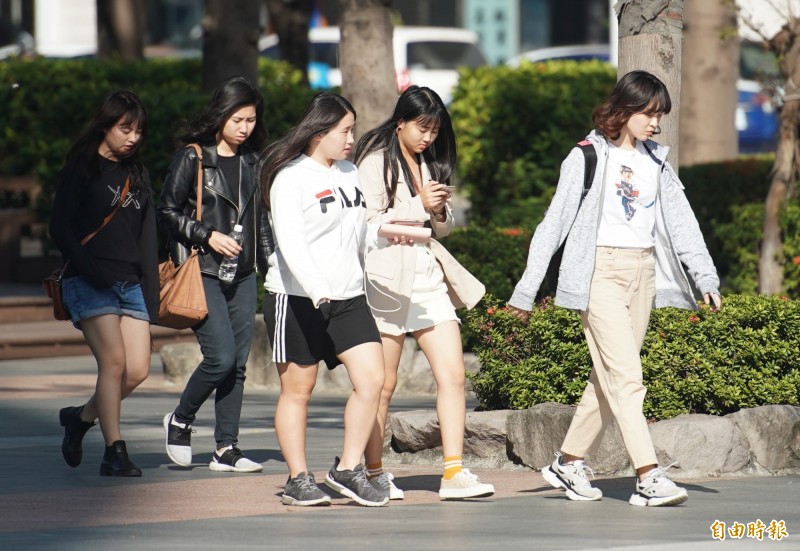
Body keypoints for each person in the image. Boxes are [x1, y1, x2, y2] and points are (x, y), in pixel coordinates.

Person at [507, 71, 723, 507]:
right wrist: (524, 292)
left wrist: (706, 277)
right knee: (627, 378)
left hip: (641, 273)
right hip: (599, 273)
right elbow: (553, 225)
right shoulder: (585, 156)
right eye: (648, 113)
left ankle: (567, 463)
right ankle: (648, 475)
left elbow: (683, 223)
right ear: (624, 110)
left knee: (607, 381)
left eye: (659, 115)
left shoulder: (656, 162)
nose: (655, 123)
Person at [354, 85, 495, 500]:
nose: (428, 137)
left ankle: (453, 473)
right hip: (386, 279)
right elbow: (369, 222)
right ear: (400, 120)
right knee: (382, 384)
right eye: (421, 128)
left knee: (453, 374)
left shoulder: (427, 162)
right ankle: (374, 472)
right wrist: (419, 205)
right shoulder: (375, 160)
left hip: (425, 275)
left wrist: (436, 210)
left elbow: (441, 227)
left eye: (434, 130)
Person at [261, 92, 389, 507]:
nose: (351, 138)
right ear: (319, 132)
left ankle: (348, 468)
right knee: (299, 389)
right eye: (344, 131)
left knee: (372, 380)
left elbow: (358, 232)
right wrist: (317, 289)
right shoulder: (291, 178)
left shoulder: (350, 172)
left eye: (352, 129)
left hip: (349, 294)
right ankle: (299, 478)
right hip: (297, 297)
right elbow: (291, 245)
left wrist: (387, 233)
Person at [158, 76, 270, 473]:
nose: (244, 128)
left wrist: (269, 265)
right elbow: (167, 212)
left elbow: (262, 222)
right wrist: (208, 235)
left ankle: (226, 448)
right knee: (220, 359)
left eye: (251, 120)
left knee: (238, 364)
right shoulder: (195, 157)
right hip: (201, 269)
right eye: (238, 119)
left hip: (242, 275)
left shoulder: (254, 163)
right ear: (221, 115)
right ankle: (181, 419)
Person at [51, 90, 158, 477]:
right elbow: (59, 227)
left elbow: (147, 234)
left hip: (130, 284)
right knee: (113, 363)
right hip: (90, 281)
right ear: (106, 125)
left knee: (138, 370)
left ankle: (80, 418)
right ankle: (115, 450)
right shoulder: (82, 168)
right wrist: (91, 271)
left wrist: (151, 288)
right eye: (124, 128)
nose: (133, 137)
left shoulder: (138, 173)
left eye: (139, 130)